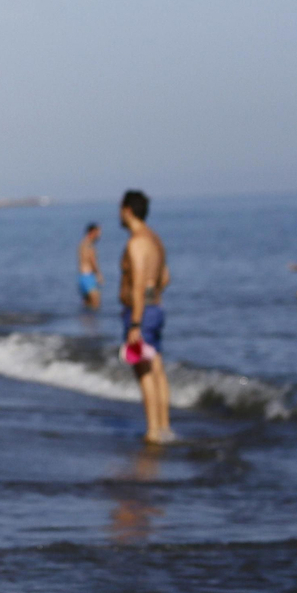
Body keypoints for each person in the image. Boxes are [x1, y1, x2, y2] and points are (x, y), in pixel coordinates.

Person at [118, 189, 173, 444]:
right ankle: (164, 427)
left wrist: (135, 323)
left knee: (144, 371)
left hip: (141, 312)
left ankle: (153, 431)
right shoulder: (156, 239)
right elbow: (165, 277)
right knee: (157, 368)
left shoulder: (137, 242)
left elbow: (139, 283)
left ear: (127, 210)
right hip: (155, 308)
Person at [77, 222, 103, 309]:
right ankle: (97, 322)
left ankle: (84, 322)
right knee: (96, 304)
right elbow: (92, 261)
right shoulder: (90, 245)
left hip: (81, 277)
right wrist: (98, 274)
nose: (99, 235)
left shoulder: (82, 244)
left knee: (87, 305)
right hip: (88, 277)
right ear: (92, 232)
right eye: (98, 232)